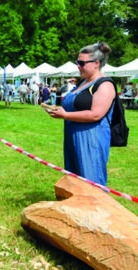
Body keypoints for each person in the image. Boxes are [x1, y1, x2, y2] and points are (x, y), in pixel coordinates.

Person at [45, 42, 117, 187]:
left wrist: (66, 115)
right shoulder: (83, 83)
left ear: (96, 63)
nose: (78, 66)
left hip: (91, 138)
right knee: (74, 181)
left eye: (82, 63)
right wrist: (58, 110)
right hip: (72, 136)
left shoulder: (104, 85)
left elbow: (96, 114)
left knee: (91, 180)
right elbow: (74, 105)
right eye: (77, 62)